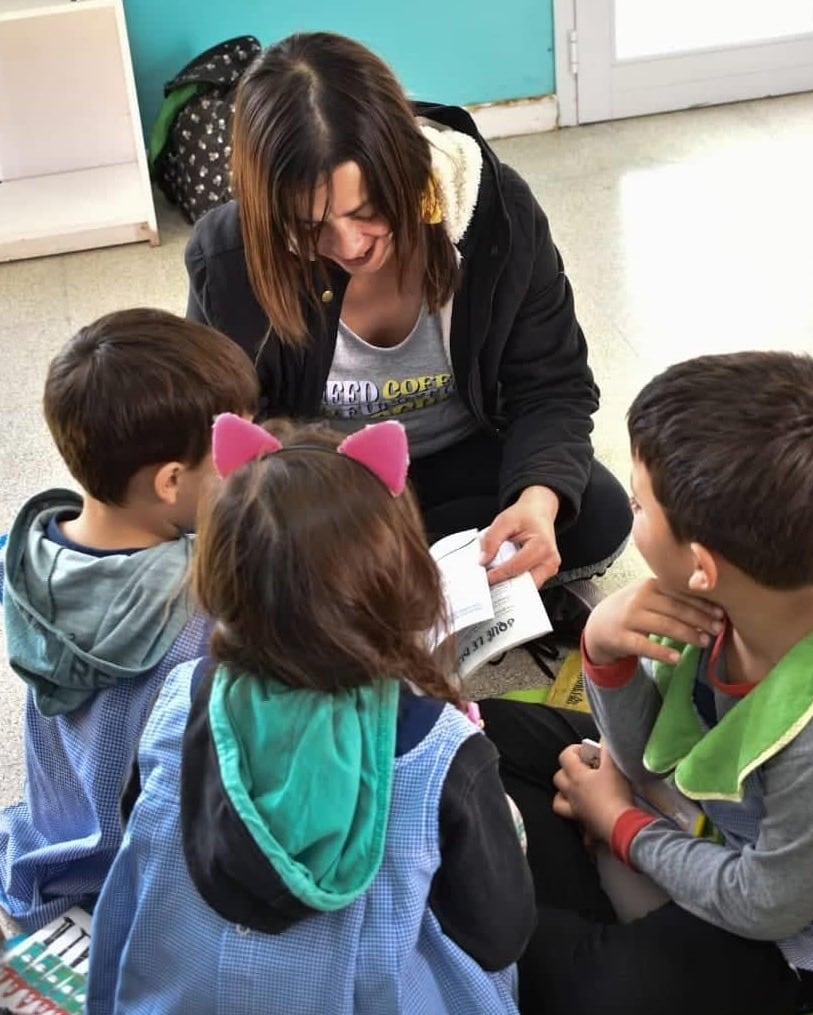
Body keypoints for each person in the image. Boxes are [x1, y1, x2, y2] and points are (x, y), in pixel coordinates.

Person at [85, 414, 536, 1015]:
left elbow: (138, 834)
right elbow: (499, 933)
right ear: (403, 581)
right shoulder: (443, 749)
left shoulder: (182, 695)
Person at [184, 30, 631, 611]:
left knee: (595, 514)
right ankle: (410, 571)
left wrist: (538, 500)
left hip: (471, 454)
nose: (347, 245)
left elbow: (553, 385)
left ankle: (407, 572)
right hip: (332, 487)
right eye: (309, 227)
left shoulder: (494, 211)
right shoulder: (227, 257)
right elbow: (224, 428)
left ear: (405, 169)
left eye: (368, 212)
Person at [480, 350, 813, 1015]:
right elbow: (644, 753)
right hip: (703, 816)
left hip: (779, 931)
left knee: (559, 971)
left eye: (635, 503)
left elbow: (764, 903)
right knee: (489, 732)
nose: (626, 512)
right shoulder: (721, 601)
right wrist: (603, 647)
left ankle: (579, 900)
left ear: (700, 564)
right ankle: (588, 894)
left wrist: (621, 824)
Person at [0, 308, 259, 932]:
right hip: (152, 860)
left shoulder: (24, 551)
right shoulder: (197, 604)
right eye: (235, 452)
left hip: (62, 828)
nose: (250, 464)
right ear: (171, 482)